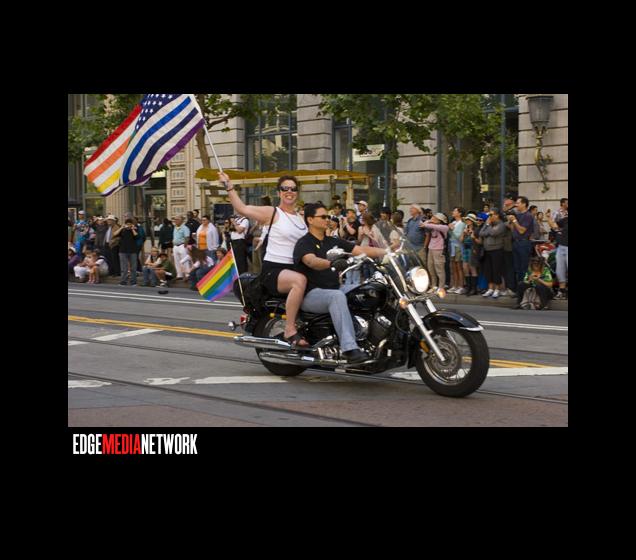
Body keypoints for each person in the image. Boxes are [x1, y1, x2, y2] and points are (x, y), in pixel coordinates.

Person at [219, 171, 310, 348]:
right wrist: (228, 186)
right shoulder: (272, 212)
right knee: (299, 281)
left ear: (297, 192)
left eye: (293, 189)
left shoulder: (301, 218)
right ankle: (290, 329)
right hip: (275, 270)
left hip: (295, 268)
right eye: (285, 188)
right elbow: (242, 209)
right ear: (279, 192)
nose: (289, 192)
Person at [293, 203, 388, 363]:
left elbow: (360, 250)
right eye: (323, 217)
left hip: (336, 288)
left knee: (371, 289)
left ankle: (373, 337)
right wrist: (331, 263)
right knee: (336, 297)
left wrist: (388, 252)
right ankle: (349, 349)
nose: (327, 219)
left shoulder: (332, 241)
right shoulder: (304, 242)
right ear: (310, 219)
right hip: (311, 293)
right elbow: (311, 261)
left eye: (328, 217)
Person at [477, 209, 507, 298]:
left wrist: (488, 227)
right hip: (487, 250)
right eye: (489, 215)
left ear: (497, 215)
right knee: (488, 270)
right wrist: (487, 225)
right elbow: (481, 233)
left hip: (497, 250)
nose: (489, 217)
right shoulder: (488, 224)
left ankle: (497, 289)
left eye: (491, 215)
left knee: (496, 270)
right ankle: (490, 288)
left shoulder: (501, 224)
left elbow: (493, 233)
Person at [508, 196, 535, 290]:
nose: (516, 205)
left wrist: (514, 220)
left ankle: (524, 290)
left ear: (524, 204)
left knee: (523, 268)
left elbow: (522, 230)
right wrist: (511, 221)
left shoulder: (528, 215)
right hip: (516, 243)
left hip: (524, 243)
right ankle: (519, 290)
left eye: (518, 203)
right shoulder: (518, 215)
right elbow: (513, 229)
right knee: (517, 268)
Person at [421, 213, 449, 295]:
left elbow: (427, 225)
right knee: (431, 268)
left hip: (439, 250)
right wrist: (430, 220)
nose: (432, 218)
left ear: (440, 220)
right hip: (431, 248)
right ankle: (434, 286)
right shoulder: (432, 225)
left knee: (439, 270)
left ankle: (441, 287)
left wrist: (429, 222)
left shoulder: (444, 227)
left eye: (435, 218)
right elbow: (424, 224)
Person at [546, 207, 568, 299]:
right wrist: (548, 217)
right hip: (561, 247)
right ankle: (562, 291)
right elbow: (554, 226)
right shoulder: (565, 220)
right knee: (559, 271)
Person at [112, 218, 139, 286]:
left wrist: (132, 229)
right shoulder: (123, 230)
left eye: (130, 224)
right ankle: (123, 281)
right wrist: (121, 227)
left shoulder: (134, 229)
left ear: (132, 224)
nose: (128, 225)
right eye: (127, 224)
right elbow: (114, 234)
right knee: (124, 267)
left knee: (133, 268)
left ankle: (133, 282)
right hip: (123, 251)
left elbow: (136, 236)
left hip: (133, 251)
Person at [448, 207, 467, 294]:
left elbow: (460, 238)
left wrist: (452, 230)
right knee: (453, 267)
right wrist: (450, 230)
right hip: (452, 246)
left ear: (459, 213)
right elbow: (449, 236)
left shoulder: (462, 224)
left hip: (458, 246)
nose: (453, 212)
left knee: (459, 266)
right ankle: (455, 286)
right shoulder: (453, 223)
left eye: (455, 211)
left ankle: (461, 286)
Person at [461, 213, 481, 296]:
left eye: (468, 220)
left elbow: (480, 242)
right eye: (466, 220)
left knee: (472, 268)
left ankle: (474, 288)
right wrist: (464, 233)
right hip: (465, 249)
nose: (467, 221)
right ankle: (468, 287)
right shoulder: (465, 228)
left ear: (472, 221)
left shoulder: (477, 229)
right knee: (465, 268)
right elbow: (461, 240)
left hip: (472, 249)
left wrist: (473, 236)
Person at [171, 215, 191, 281]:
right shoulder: (175, 227)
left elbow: (187, 237)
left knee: (185, 261)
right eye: (175, 219)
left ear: (181, 220)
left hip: (182, 245)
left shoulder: (185, 228)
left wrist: (185, 245)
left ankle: (187, 275)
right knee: (177, 261)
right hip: (175, 246)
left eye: (177, 219)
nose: (175, 221)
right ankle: (179, 275)